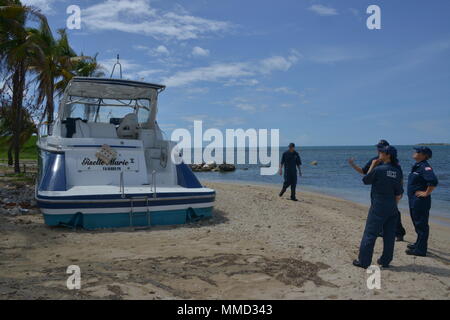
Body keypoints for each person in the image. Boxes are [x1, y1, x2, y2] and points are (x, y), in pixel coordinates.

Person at [353, 146, 404, 269]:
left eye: (381, 152)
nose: (379, 153)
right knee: (389, 235)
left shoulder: (379, 169)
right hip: (392, 206)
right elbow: (399, 193)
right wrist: (392, 205)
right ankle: (385, 261)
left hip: (379, 206)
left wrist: (373, 165)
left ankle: (364, 261)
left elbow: (365, 180)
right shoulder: (397, 171)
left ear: (387, 155)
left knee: (370, 233)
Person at [348, 139, 406, 241]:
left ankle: (399, 233)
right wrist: (353, 165)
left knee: (394, 212)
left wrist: (400, 192)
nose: (378, 150)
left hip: (391, 192)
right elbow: (364, 172)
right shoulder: (374, 160)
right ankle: (382, 231)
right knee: (378, 211)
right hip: (377, 192)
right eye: (378, 148)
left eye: (381, 148)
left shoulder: (394, 162)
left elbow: (399, 177)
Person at [406, 147, 438, 257]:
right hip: (414, 200)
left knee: (421, 224)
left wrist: (426, 193)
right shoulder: (418, 165)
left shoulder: (425, 167)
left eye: (417, 152)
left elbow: (433, 181)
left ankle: (421, 250)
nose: (414, 152)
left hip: (420, 201)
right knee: (417, 223)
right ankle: (418, 244)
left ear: (424, 155)